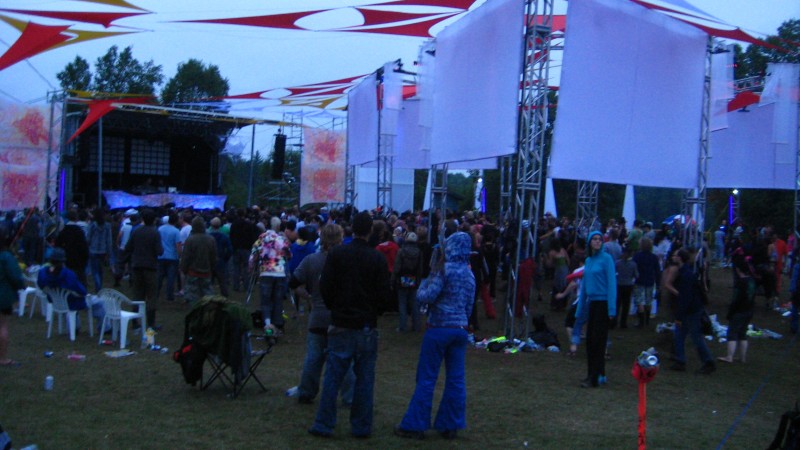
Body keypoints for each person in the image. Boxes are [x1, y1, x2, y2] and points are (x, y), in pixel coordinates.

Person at [308, 211, 390, 439]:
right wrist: (374, 311)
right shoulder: (377, 259)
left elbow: (325, 286)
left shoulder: (337, 254)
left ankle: (324, 423)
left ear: (352, 229)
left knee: (333, 376)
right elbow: (384, 294)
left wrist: (335, 308)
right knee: (364, 379)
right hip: (365, 326)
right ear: (370, 231)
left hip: (341, 323)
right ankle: (361, 426)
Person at [394, 231, 475, 440]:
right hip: (460, 329)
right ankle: (450, 424)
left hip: (439, 328)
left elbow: (428, 296)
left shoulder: (444, 270)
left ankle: (415, 425)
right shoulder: (469, 274)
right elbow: (469, 306)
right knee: (456, 379)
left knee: (427, 377)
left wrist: (422, 285)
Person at [287, 224, 354, 405]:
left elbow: (293, 282)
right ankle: (349, 396)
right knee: (345, 359)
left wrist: (308, 297)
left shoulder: (311, 260)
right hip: (340, 317)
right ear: (340, 239)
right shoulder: (348, 261)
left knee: (314, 358)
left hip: (318, 315)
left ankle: (306, 391)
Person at [575, 231, 616, 388]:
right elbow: (584, 288)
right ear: (589, 242)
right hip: (592, 304)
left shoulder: (607, 259)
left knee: (597, 341)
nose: (597, 241)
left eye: (600, 239)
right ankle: (599, 374)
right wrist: (580, 309)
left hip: (603, 304)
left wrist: (611, 309)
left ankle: (594, 377)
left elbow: (611, 284)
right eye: (594, 239)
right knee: (591, 340)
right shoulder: (589, 260)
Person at [668, 249, 715, 374]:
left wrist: (679, 315)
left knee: (695, 337)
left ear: (680, 258)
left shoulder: (685, 276)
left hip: (691, 311)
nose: (673, 257)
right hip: (692, 309)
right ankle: (680, 360)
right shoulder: (687, 272)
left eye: (675, 255)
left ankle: (707, 361)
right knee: (680, 335)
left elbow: (685, 298)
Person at [38, 247, 105, 334]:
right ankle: (105, 328)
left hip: (56, 302)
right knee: (100, 302)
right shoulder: (68, 274)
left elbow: (41, 286)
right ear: (63, 261)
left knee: (72, 302)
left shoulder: (42, 273)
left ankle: (74, 327)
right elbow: (82, 291)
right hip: (74, 302)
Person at [124, 209, 163, 329]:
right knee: (151, 296)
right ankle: (150, 323)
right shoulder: (155, 232)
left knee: (137, 294)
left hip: (137, 266)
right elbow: (159, 251)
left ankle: (135, 322)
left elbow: (128, 247)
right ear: (154, 220)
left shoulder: (136, 231)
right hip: (150, 267)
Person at [718, 244, 756, 363]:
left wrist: (730, 312)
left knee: (732, 333)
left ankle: (729, 356)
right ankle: (742, 357)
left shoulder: (740, 283)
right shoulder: (752, 281)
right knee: (743, 334)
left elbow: (736, 299)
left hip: (739, 311)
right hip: (749, 310)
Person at [249, 228, 291, 333]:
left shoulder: (260, 240)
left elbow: (252, 258)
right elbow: (289, 255)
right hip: (280, 272)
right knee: (278, 299)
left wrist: (252, 268)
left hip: (266, 272)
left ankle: (267, 324)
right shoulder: (281, 239)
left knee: (266, 300)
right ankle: (278, 323)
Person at [0, 228, 25, 367]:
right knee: (2, 326)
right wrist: (21, 286)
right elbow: (15, 276)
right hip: (2, 297)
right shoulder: (6, 257)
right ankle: (2, 358)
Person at [180, 216, 217, 304]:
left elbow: (186, 257)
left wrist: (183, 269)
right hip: (206, 272)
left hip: (192, 272)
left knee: (193, 297)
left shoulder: (190, 240)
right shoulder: (211, 239)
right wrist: (212, 268)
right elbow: (213, 257)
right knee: (208, 297)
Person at [392, 231, 424, 332]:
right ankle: (416, 326)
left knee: (402, 303)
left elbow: (397, 267)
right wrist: (418, 280)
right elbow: (420, 268)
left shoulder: (401, 251)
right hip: (413, 278)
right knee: (414, 303)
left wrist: (393, 279)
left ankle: (403, 326)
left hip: (402, 277)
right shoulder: (419, 252)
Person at [632, 238, 660, 329]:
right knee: (648, 300)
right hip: (650, 280)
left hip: (639, 280)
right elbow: (657, 270)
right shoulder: (654, 257)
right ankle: (647, 319)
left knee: (639, 301)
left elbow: (633, 268)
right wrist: (658, 283)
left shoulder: (637, 256)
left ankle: (641, 321)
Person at [86, 208, 113, 293]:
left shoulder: (92, 225)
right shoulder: (107, 226)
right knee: (101, 270)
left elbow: (88, 238)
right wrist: (109, 252)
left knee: (95, 271)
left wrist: (88, 246)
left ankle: (98, 287)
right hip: (103, 251)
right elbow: (109, 240)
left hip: (93, 250)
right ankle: (100, 286)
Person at [157, 213, 180, 302]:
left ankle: (156, 293)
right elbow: (178, 245)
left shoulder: (160, 229)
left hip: (161, 255)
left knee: (159, 276)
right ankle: (170, 295)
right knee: (171, 277)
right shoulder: (176, 231)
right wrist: (179, 255)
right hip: (172, 257)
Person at [208, 217, 232, 297]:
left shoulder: (208, 236)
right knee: (222, 282)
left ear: (211, 225)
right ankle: (225, 297)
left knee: (209, 282)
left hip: (210, 261)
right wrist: (225, 258)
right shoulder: (224, 236)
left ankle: (208, 296)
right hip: (220, 261)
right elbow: (229, 250)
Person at [615, 247, 638, 329]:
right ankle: (623, 323)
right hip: (628, 285)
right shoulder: (633, 264)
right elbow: (636, 275)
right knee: (626, 305)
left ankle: (613, 321)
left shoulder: (617, 263)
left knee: (617, 304)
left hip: (619, 285)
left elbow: (614, 272)